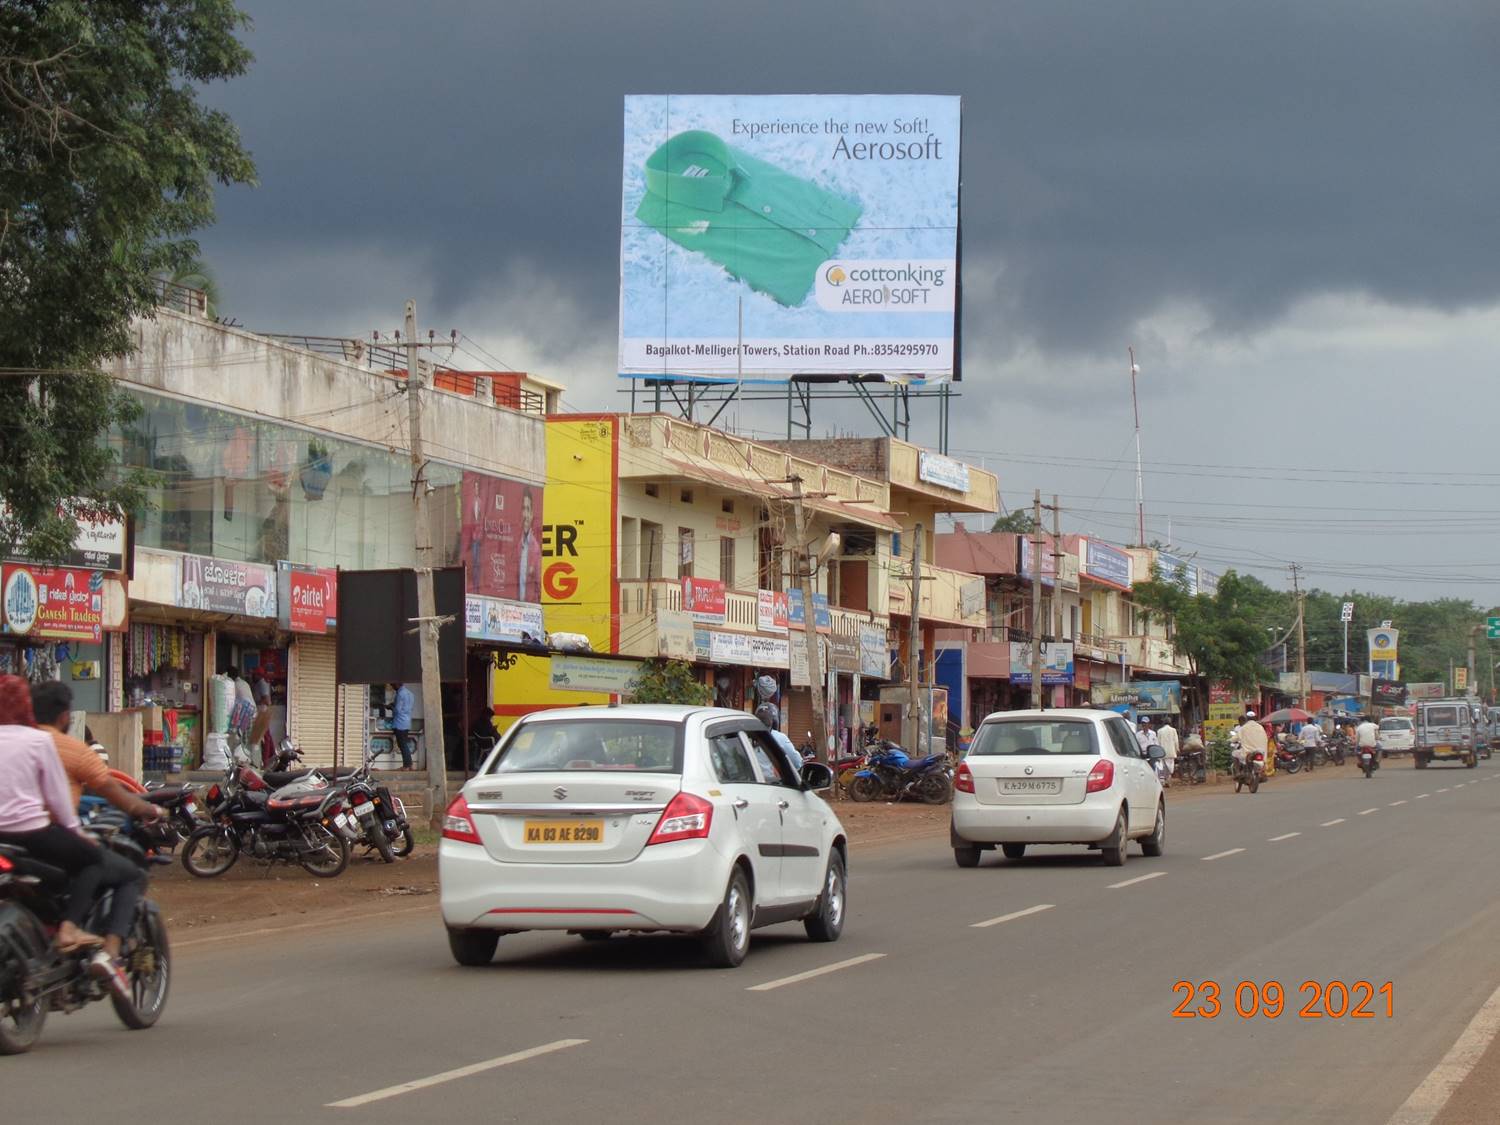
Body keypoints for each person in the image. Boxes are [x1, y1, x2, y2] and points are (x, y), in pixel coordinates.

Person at [31, 680, 162, 987]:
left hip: (14, 843)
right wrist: (148, 810)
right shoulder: (71, 749)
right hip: (46, 837)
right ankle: (108, 952)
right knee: (122, 871)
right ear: (65, 717)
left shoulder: (16, 743)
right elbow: (112, 790)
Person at [0, 675, 118, 980]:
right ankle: (68, 929)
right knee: (91, 859)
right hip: (33, 833)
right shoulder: (38, 740)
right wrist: (75, 831)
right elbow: (58, 799)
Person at [517, 487, 543, 604]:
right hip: (515, 607)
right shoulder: (518, 546)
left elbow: (538, 584)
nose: (526, 515)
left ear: (532, 514)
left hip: (529, 609)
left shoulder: (535, 549)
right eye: (523, 509)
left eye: (528, 509)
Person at [390, 682, 415, 770]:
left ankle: (407, 765)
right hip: (407, 721)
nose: (392, 687)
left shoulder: (400, 694)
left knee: (402, 744)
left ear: (397, 684)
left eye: (392, 685)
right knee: (404, 744)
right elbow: (408, 707)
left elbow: (397, 710)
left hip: (399, 722)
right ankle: (410, 765)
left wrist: (391, 707)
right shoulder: (410, 693)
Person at [1157, 718, 1180, 786]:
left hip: (1162, 752)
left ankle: (1164, 780)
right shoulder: (1173, 730)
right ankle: (1168, 778)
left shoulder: (1159, 731)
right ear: (1170, 723)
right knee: (1170, 766)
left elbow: (1158, 742)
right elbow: (1176, 741)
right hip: (1171, 751)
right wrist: (1177, 749)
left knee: (1163, 767)